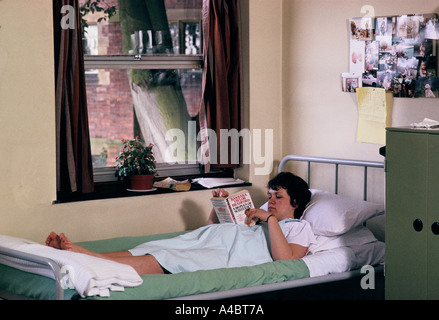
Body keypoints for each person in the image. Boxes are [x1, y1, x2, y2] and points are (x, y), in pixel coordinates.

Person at [46, 172, 316, 275]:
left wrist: (269, 219)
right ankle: (88, 255)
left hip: (225, 255)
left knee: (166, 256)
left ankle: (85, 258)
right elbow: (218, 228)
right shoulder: (259, 218)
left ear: (295, 202)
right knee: (152, 247)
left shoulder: (298, 227)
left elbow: (286, 261)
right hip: (210, 239)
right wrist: (218, 207)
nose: (271, 201)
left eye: (278, 197)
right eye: (269, 196)